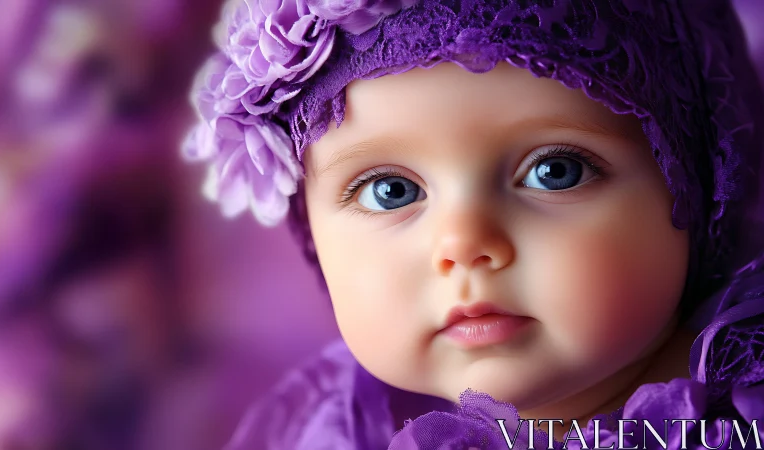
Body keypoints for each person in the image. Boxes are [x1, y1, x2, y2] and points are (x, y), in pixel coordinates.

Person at [183, 0, 764, 448]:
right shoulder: (339, 428)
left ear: (702, 183)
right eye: (392, 192)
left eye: (554, 172)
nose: (463, 245)